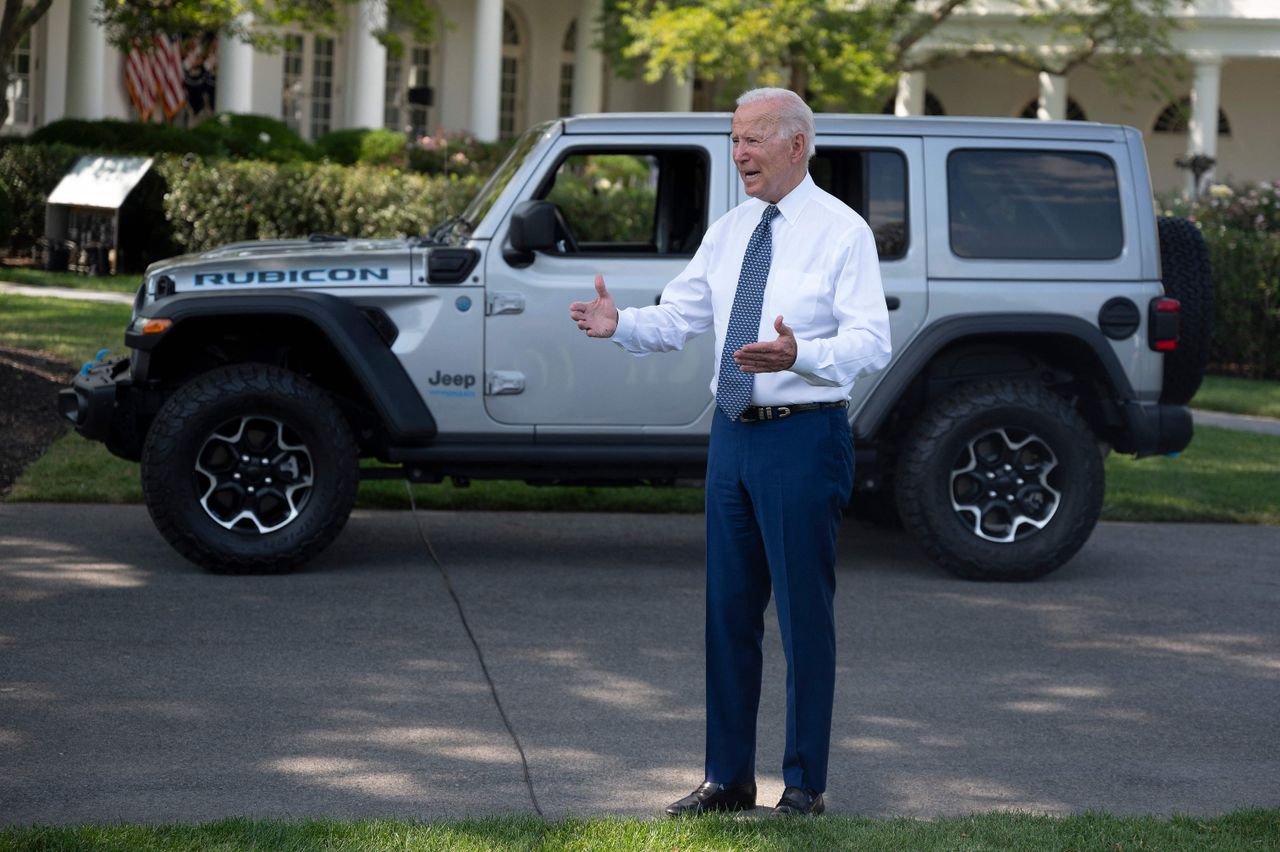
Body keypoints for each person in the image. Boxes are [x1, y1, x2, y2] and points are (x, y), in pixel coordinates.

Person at [568, 87, 891, 817]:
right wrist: (620, 322)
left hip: (803, 438)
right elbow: (682, 316)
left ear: (797, 145)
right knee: (728, 614)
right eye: (735, 139)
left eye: (752, 139)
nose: (739, 153)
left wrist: (798, 353)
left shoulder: (843, 232)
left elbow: (872, 341)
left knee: (805, 618)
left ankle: (804, 785)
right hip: (733, 438)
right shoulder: (731, 230)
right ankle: (727, 779)